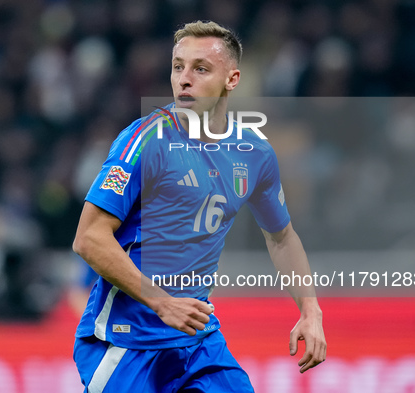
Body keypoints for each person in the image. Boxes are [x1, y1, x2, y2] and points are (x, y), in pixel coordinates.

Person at [72, 20, 326, 393]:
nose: (184, 79)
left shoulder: (254, 153)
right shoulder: (145, 139)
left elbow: (282, 238)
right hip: (128, 343)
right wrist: (163, 303)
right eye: (178, 67)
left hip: (198, 341)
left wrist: (310, 310)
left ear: (232, 79)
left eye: (200, 68)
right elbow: (89, 239)